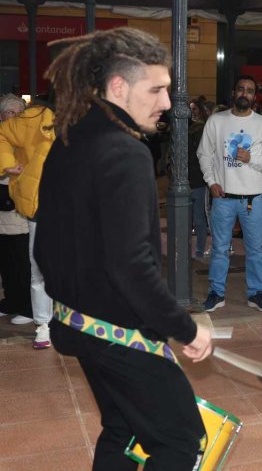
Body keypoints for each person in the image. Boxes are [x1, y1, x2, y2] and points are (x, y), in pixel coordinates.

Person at [34, 27, 213, 469]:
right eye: (156, 90)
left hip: (76, 324)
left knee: (123, 427)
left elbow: (45, 245)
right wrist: (185, 328)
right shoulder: (124, 153)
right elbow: (131, 264)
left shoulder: (69, 140)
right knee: (180, 440)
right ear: (119, 87)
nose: (168, 104)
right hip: (118, 333)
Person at [198, 75, 262, 313]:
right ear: (234, 93)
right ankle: (217, 292)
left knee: (256, 249)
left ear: (255, 96)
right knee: (220, 248)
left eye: (250, 90)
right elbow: (205, 154)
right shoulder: (216, 121)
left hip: (253, 200)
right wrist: (211, 181)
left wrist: (251, 158)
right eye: (241, 89)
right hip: (223, 198)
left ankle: (255, 293)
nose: (245, 94)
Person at [0, 97, 56, 348]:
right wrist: (8, 166)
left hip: (70, 207)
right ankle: (44, 325)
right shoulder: (34, 119)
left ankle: (57, 323)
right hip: (43, 205)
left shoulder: (87, 119)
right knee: (40, 267)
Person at [0, 94, 32, 323]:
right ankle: (11, 300)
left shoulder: (27, 139)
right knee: (6, 262)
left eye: (19, 112)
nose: (16, 117)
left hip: (19, 210)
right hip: (2, 210)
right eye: (11, 112)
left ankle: (27, 307)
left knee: (22, 262)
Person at [188, 98, 210, 258]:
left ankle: (199, 250)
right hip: (186, 179)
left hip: (198, 179)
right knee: (187, 217)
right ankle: (190, 249)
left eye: (195, 109)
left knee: (198, 217)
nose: (192, 112)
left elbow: (201, 156)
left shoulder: (202, 129)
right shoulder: (186, 129)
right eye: (191, 109)